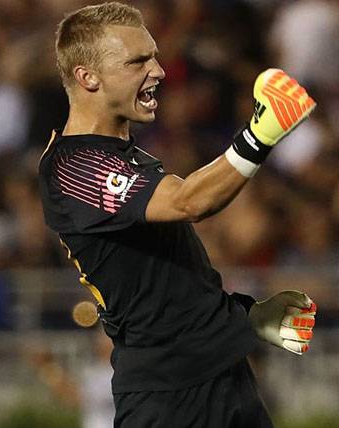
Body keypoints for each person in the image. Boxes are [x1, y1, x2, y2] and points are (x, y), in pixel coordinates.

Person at [39, 3, 317, 427]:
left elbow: (161, 277)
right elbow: (190, 202)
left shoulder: (132, 159)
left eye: (153, 56)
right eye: (137, 61)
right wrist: (262, 131)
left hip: (220, 378)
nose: (158, 71)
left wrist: (246, 317)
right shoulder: (74, 167)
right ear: (88, 77)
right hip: (170, 398)